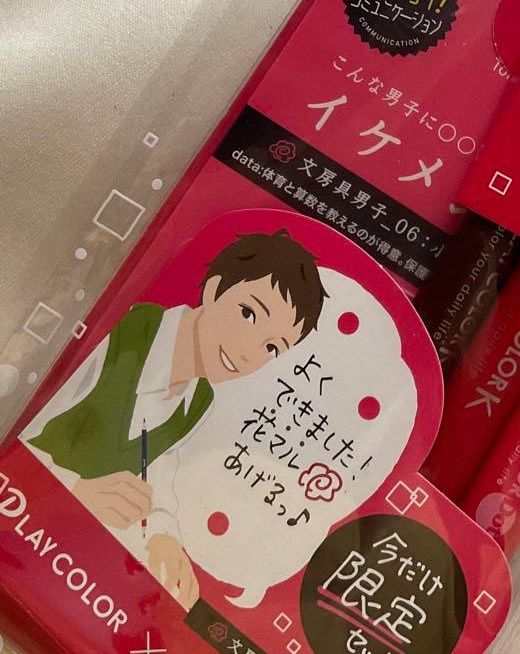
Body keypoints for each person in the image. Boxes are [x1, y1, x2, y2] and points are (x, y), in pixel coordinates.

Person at [23, 228, 327, 609]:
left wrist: (163, 537)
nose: (248, 351)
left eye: (271, 347)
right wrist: (74, 490)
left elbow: (158, 473)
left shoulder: (199, 400)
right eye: (248, 313)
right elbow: (24, 418)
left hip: (65, 563)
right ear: (213, 290)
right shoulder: (124, 329)